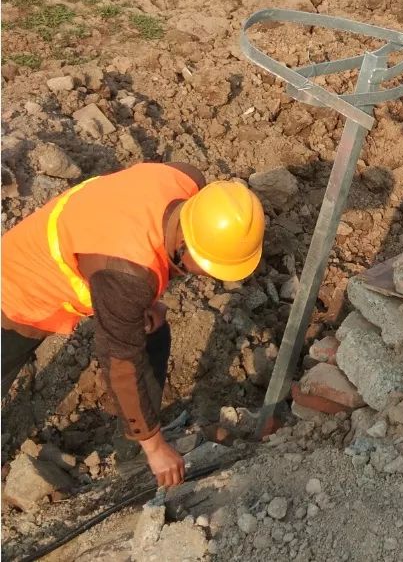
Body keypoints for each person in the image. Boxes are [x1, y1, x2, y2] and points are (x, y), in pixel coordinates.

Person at [2, 162, 265, 488]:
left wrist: (140, 303)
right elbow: (119, 361)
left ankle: (131, 454)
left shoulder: (185, 180)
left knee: (153, 332)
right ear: (185, 244)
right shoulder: (125, 275)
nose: (211, 276)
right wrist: (156, 447)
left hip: (87, 252)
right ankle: (145, 447)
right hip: (19, 287)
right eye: (210, 266)